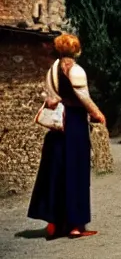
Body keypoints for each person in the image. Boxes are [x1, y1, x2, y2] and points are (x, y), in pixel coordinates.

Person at [28, 34, 106, 240]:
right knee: (76, 172)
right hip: (74, 123)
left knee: (55, 172)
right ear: (76, 50)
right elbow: (84, 98)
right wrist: (97, 114)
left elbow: (50, 96)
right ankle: (76, 226)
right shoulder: (76, 70)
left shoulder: (52, 70)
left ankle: (54, 222)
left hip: (57, 125)